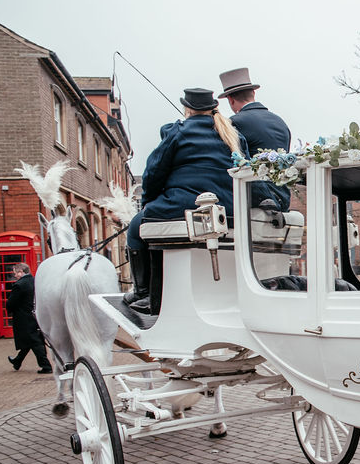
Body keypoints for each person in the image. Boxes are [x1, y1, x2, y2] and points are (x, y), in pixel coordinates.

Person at [124, 88, 249, 313]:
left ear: (187, 109)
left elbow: (153, 173)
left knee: (135, 226)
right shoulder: (232, 135)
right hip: (228, 209)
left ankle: (144, 292)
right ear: (213, 108)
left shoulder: (177, 132)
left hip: (183, 206)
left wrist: (148, 204)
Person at [218, 67, 291, 212]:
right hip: (283, 197)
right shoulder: (280, 122)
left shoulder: (234, 123)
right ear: (253, 93)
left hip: (257, 199)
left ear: (230, 100)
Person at [5, 262, 52, 374]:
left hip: (24, 318)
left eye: (15, 273)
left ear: (21, 272)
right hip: (36, 314)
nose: (15, 275)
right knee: (30, 340)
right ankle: (17, 361)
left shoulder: (19, 285)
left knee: (34, 342)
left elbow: (10, 303)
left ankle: (46, 366)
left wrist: (10, 308)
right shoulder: (35, 281)